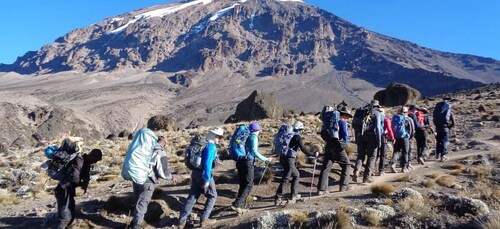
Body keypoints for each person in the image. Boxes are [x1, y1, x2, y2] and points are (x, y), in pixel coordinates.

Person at [178, 128, 224, 228]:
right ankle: (204, 220)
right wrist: (207, 180)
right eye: (219, 137)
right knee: (212, 196)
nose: (220, 140)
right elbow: (207, 164)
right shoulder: (210, 146)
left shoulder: (203, 144)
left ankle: (181, 222)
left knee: (192, 197)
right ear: (213, 135)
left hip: (195, 172)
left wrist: (216, 159)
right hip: (203, 174)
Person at [130, 136, 176, 229]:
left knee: (138, 202)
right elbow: (162, 171)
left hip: (136, 178)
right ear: (164, 142)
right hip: (147, 181)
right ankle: (136, 226)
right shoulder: (160, 151)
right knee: (142, 204)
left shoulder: (145, 148)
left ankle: (135, 222)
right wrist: (171, 177)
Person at [231, 122, 271, 214]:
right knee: (249, 183)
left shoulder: (245, 135)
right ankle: (237, 204)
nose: (259, 132)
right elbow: (254, 152)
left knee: (243, 183)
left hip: (239, 161)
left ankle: (239, 204)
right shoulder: (253, 137)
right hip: (247, 162)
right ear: (256, 130)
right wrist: (265, 159)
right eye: (259, 130)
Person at [275, 121, 318, 205]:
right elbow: (303, 149)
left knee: (296, 175)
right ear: (299, 129)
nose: (302, 131)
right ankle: (278, 198)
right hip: (289, 159)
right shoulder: (297, 136)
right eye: (301, 129)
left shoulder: (287, 135)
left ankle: (293, 195)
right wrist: (313, 154)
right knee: (286, 178)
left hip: (282, 158)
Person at [317, 106, 353, 194]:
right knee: (347, 165)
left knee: (326, 167)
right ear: (344, 114)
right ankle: (344, 186)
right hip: (338, 145)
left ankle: (321, 189)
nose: (348, 118)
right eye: (348, 116)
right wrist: (346, 144)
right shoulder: (342, 121)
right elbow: (344, 134)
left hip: (328, 144)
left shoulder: (331, 121)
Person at [54, 139, 84, 229]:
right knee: (65, 215)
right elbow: (75, 175)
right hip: (66, 186)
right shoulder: (77, 158)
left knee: (68, 207)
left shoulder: (69, 156)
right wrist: (77, 183)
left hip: (62, 186)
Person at [353, 100, 383, 183]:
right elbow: (377, 127)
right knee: (371, 157)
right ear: (377, 106)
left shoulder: (362, 112)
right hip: (371, 137)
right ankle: (367, 177)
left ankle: (356, 170)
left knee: (360, 155)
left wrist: (356, 138)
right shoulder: (376, 113)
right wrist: (379, 141)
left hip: (360, 136)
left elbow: (355, 126)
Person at [389, 107, 412, 173]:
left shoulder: (394, 117)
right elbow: (410, 128)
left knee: (396, 151)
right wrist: (409, 135)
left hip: (396, 137)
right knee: (405, 152)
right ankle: (404, 167)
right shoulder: (405, 118)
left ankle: (393, 164)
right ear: (405, 112)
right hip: (404, 137)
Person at [433, 98, 455, 162]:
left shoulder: (438, 112)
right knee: (444, 141)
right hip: (445, 128)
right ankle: (443, 155)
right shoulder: (449, 112)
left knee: (438, 141)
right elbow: (453, 123)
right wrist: (449, 127)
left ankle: (437, 154)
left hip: (437, 127)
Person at [377, 108, 394, 176]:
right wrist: (392, 138)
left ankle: (371, 171)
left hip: (374, 138)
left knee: (374, 155)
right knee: (382, 155)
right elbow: (389, 129)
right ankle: (381, 170)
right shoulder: (386, 119)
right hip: (383, 137)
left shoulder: (374, 118)